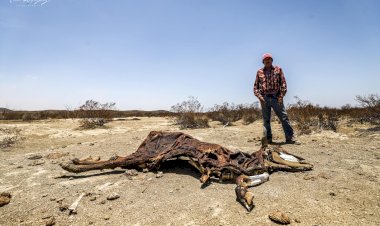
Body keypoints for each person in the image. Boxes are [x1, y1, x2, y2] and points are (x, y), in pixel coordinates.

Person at [253, 53, 299, 144]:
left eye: (269, 59)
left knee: (284, 117)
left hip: (276, 97)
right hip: (264, 98)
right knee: (266, 120)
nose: (267, 61)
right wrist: (260, 97)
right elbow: (255, 87)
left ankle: (290, 138)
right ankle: (267, 140)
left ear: (272, 60)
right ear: (263, 62)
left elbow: (283, 84)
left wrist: (281, 96)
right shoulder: (259, 72)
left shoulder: (278, 70)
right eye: (265, 59)